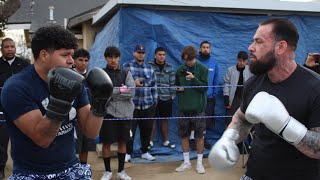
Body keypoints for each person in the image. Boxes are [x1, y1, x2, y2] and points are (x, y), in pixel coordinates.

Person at [209, 18, 320, 180]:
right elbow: (242, 117)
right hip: (254, 174)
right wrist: (229, 138)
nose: (250, 47)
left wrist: (287, 126)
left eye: (258, 42)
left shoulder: (315, 87)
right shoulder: (254, 82)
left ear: (281, 47)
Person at [1, 25, 113, 180]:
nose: (71, 61)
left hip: (70, 168)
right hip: (31, 173)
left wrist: (100, 103)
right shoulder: (16, 88)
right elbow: (43, 139)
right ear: (44, 55)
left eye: (72, 55)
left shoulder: (73, 80)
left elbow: (91, 132)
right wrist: (60, 102)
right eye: (65, 55)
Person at [100, 46, 135, 180]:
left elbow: (131, 92)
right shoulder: (101, 73)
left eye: (115, 57)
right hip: (107, 113)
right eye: (110, 57)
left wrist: (112, 93)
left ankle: (121, 171)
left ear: (119, 58)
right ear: (106, 58)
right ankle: (107, 171)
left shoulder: (126, 73)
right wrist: (120, 90)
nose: (113, 60)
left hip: (125, 114)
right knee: (106, 143)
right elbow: (102, 94)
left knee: (122, 142)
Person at [175, 46, 208, 174]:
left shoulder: (203, 69)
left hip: (198, 109)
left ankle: (199, 164)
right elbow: (176, 85)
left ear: (195, 57)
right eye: (186, 60)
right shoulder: (179, 70)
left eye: (190, 60)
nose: (188, 63)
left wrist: (193, 78)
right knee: (184, 135)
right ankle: (186, 162)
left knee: (200, 136)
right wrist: (178, 89)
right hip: (183, 109)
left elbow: (204, 88)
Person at [0, 38, 30, 179]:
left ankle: (25, 167)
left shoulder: (24, 64)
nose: (10, 49)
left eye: (12, 46)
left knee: (23, 140)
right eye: (7, 47)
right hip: (2, 112)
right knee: (1, 142)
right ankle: (1, 168)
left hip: (22, 110)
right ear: (2, 49)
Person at [123, 45, 157, 162]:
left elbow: (154, 86)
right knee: (130, 130)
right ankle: (128, 153)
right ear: (134, 53)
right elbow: (122, 85)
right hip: (132, 105)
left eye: (142, 52)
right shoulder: (127, 66)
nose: (140, 54)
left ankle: (145, 152)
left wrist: (154, 102)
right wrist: (133, 83)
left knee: (147, 130)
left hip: (147, 104)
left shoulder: (150, 68)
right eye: (138, 52)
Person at [190, 40, 219, 150]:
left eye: (207, 47)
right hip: (197, 96)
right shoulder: (195, 62)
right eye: (203, 47)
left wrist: (214, 94)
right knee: (194, 118)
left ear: (210, 50)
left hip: (209, 97)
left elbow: (216, 80)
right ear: (200, 49)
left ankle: (202, 138)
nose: (205, 49)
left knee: (206, 119)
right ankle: (192, 139)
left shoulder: (214, 63)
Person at [148, 47, 176, 149]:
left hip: (166, 98)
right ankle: (149, 141)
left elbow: (173, 83)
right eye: (160, 54)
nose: (162, 56)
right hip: (152, 98)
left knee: (164, 120)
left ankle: (166, 141)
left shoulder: (170, 67)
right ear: (155, 55)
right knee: (152, 120)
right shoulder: (149, 66)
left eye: (163, 55)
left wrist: (172, 97)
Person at [72, 48, 93, 165]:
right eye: (80, 60)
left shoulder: (92, 77)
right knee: (73, 146)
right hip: (72, 117)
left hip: (87, 116)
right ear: (74, 60)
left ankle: (83, 169)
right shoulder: (69, 75)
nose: (83, 63)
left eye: (86, 60)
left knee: (85, 147)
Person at [223, 51, 252, 126]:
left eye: (244, 61)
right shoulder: (230, 70)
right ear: (237, 59)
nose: (242, 63)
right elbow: (226, 83)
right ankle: (227, 137)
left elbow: (253, 84)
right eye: (240, 60)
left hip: (245, 99)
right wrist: (226, 97)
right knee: (229, 121)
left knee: (245, 121)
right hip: (233, 99)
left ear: (247, 61)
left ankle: (244, 137)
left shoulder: (250, 70)